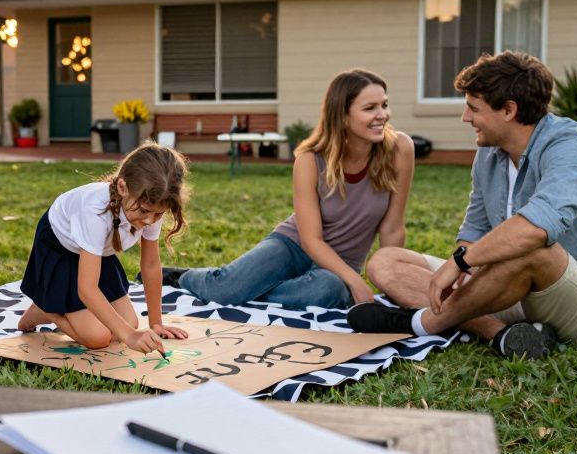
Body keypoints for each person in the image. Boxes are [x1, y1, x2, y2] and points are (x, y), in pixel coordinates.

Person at [348, 51, 577, 359]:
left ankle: (423, 322)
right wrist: (464, 270)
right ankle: (501, 333)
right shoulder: (490, 151)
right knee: (386, 262)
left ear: (508, 110)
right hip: (507, 289)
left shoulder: (573, 147)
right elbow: (476, 226)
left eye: (474, 108)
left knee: (530, 246)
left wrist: (459, 264)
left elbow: (536, 229)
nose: (465, 118)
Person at [161, 70, 414, 310]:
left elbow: (392, 227)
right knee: (226, 291)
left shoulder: (400, 149)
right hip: (293, 247)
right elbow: (310, 240)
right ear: (343, 116)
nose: (383, 114)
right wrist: (356, 281)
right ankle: (185, 278)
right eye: (370, 108)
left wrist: (390, 287)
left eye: (384, 104)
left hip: (339, 267)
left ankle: (250, 290)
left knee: (328, 291)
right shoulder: (310, 159)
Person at [16, 143, 192, 353]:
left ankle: (59, 307)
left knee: (128, 325)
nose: (150, 220)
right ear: (122, 187)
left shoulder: (151, 205)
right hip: (60, 250)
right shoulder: (95, 212)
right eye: (145, 211)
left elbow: (151, 264)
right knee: (98, 338)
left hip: (96, 253)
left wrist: (156, 323)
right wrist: (130, 336)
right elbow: (87, 289)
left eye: (158, 214)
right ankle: (47, 307)